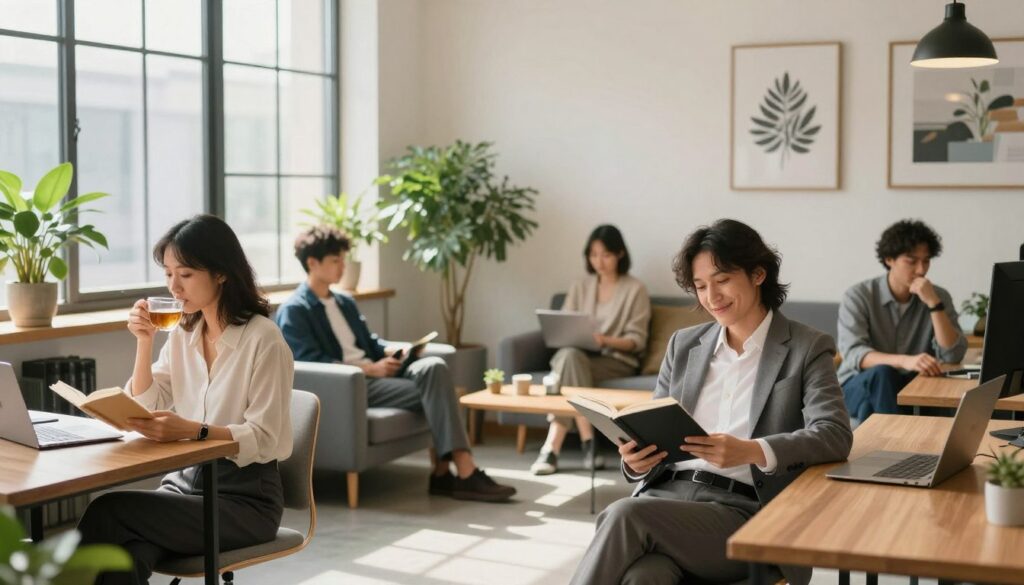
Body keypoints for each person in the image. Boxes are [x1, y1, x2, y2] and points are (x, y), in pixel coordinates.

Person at [569, 219, 852, 585]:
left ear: (758, 274)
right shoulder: (683, 345)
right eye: (700, 286)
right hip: (667, 498)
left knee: (623, 515)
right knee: (645, 577)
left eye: (722, 280)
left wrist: (752, 451)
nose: (711, 297)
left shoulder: (806, 347)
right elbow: (650, 423)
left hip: (745, 514)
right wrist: (636, 462)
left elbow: (834, 434)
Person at [77, 215, 294, 585]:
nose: (174, 287)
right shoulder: (183, 330)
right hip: (183, 486)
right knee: (122, 557)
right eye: (168, 274)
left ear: (221, 273)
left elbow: (267, 438)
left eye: (186, 274)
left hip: (243, 500)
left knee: (108, 512)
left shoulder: (264, 340)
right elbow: (149, 401)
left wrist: (195, 431)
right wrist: (144, 343)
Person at [274, 225, 515, 502]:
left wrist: (397, 351)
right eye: (335, 260)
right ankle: (460, 471)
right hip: (353, 385)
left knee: (432, 366)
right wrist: (368, 369)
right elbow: (307, 362)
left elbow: (370, 343)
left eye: (343, 258)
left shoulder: (343, 301)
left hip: (376, 375)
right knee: (439, 394)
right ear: (312, 263)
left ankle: (445, 473)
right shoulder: (295, 310)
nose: (342, 266)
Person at [530, 224, 651, 475]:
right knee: (570, 356)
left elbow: (636, 341)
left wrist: (604, 341)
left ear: (619, 254)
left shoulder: (635, 289)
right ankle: (588, 441)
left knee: (567, 362)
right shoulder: (580, 286)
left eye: (606, 254)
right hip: (577, 356)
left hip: (616, 359)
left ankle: (552, 447)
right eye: (593, 255)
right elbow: (564, 326)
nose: (599, 261)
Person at [837, 219, 967, 420]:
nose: (921, 270)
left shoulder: (938, 295)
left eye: (926, 260)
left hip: (910, 387)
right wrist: (906, 361)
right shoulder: (858, 296)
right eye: (912, 261)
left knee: (868, 409)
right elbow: (854, 353)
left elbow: (953, 355)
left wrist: (934, 304)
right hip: (856, 385)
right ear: (889, 259)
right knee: (882, 374)